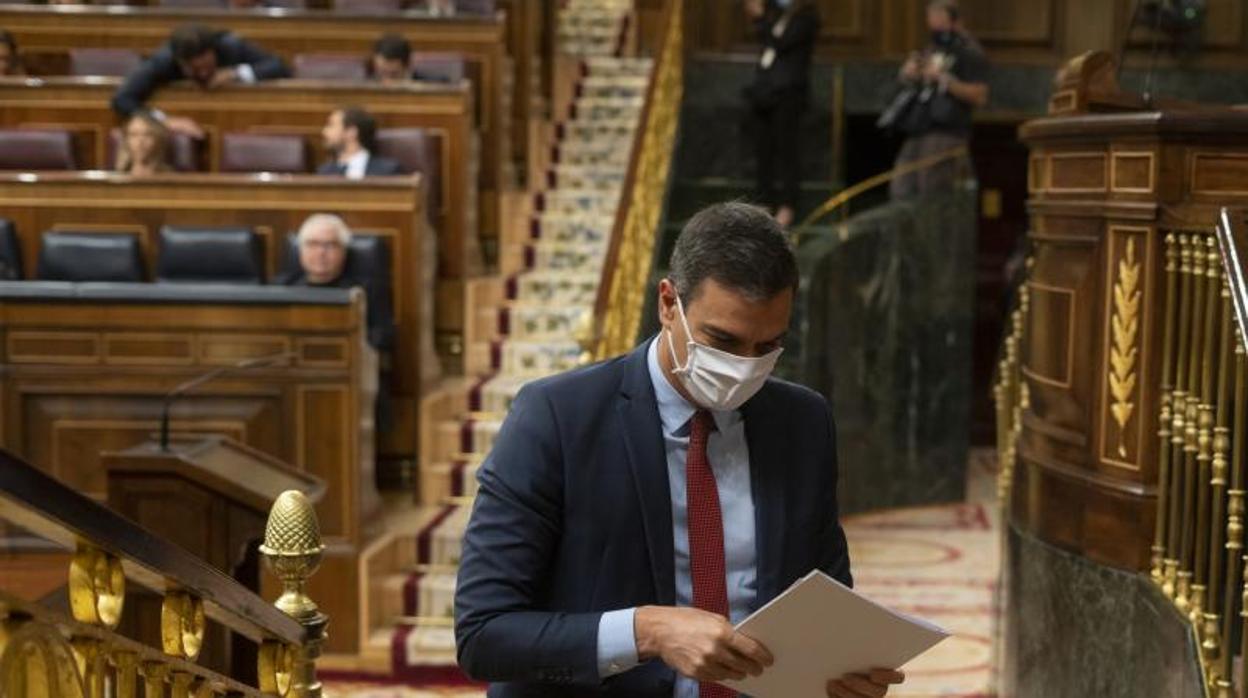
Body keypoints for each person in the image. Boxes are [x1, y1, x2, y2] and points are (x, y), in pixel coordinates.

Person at [455, 202, 907, 698]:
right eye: (723, 341)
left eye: (767, 346)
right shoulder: (558, 417)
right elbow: (484, 634)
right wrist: (649, 632)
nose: (744, 366)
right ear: (668, 304)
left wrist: (841, 671)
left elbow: (827, 604)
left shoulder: (803, 422)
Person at [882, 0, 988, 200]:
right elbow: (911, 84)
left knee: (931, 190)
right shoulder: (931, 48)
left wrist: (944, 80)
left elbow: (980, 96)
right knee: (901, 187)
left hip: (947, 131)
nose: (934, 25)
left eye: (939, 19)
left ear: (955, 21)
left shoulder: (969, 52)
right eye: (931, 18)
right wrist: (908, 74)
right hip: (919, 126)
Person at [110, 24, 291, 139]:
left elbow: (280, 66)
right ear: (180, 62)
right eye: (195, 70)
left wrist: (235, 73)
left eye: (208, 66)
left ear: (214, 52)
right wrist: (165, 121)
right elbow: (122, 99)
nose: (204, 74)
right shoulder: (163, 61)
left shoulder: (230, 46)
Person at [743, 0, 820, 229]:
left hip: (789, 94)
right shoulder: (775, 14)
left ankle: (788, 205)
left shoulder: (807, 17)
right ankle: (763, 203)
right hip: (765, 92)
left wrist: (758, 18)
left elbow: (781, 43)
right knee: (763, 150)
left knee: (787, 150)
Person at [318, 106, 402, 178]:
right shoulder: (324, 172)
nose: (325, 132)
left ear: (351, 132)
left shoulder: (388, 171)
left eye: (331, 125)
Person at [368, 33, 455, 84]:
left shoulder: (433, 84)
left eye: (393, 74)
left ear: (408, 65)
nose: (387, 82)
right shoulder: (367, 86)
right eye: (382, 73)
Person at [115, 111, 174, 175]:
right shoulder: (115, 178)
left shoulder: (172, 179)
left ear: (158, 139)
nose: (140, 141)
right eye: (134, 134)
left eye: (148, 134)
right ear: (126, 140)